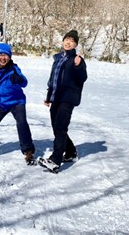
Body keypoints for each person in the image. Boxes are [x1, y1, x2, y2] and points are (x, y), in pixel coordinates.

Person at [38, 30, 88, 173]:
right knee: (57, 127)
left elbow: (82, 78)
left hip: (68, 98)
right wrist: (49, 97)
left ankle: (55, 160)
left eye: (72, 41)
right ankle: (71, 152)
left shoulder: (77, 59)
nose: (68, 42)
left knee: (60, 127)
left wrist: (78, 67)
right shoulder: (59, 59)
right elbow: (53, 79)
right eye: (66, 39)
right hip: (56, 98)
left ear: (75, 45)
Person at [0, 43, 36, 165]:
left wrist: (19, 79)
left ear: (9, 56)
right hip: (0, 102)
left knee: (22, 124)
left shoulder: (14, 68)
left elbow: (24, 82)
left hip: (16, 101)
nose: (2, 58)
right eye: (0, 55)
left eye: (5, 55)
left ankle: (28, 151)